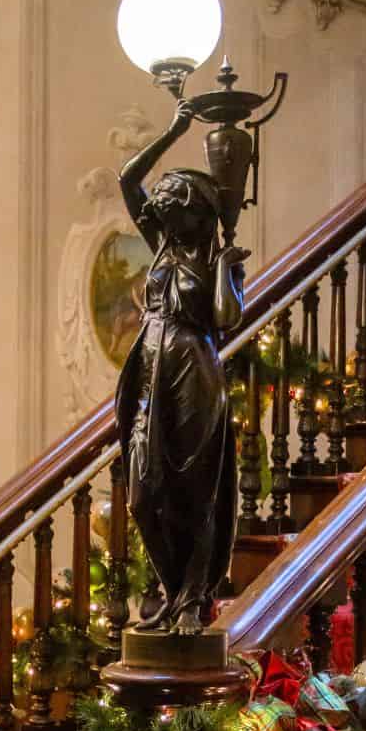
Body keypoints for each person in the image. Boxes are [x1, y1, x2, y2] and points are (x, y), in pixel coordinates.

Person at [115, 100, 243, 634]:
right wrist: (174, 131)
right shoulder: (161, 247)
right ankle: (172, 592)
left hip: (194, 366)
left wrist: (226, 271)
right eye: (162, 198)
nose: (162, 205)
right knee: (144, 494)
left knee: (196, 488)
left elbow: (226, 320)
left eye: (173, 199)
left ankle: (191, 599)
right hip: (150, 363)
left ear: (197, 212)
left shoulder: (213, 259)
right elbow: (129, 180)